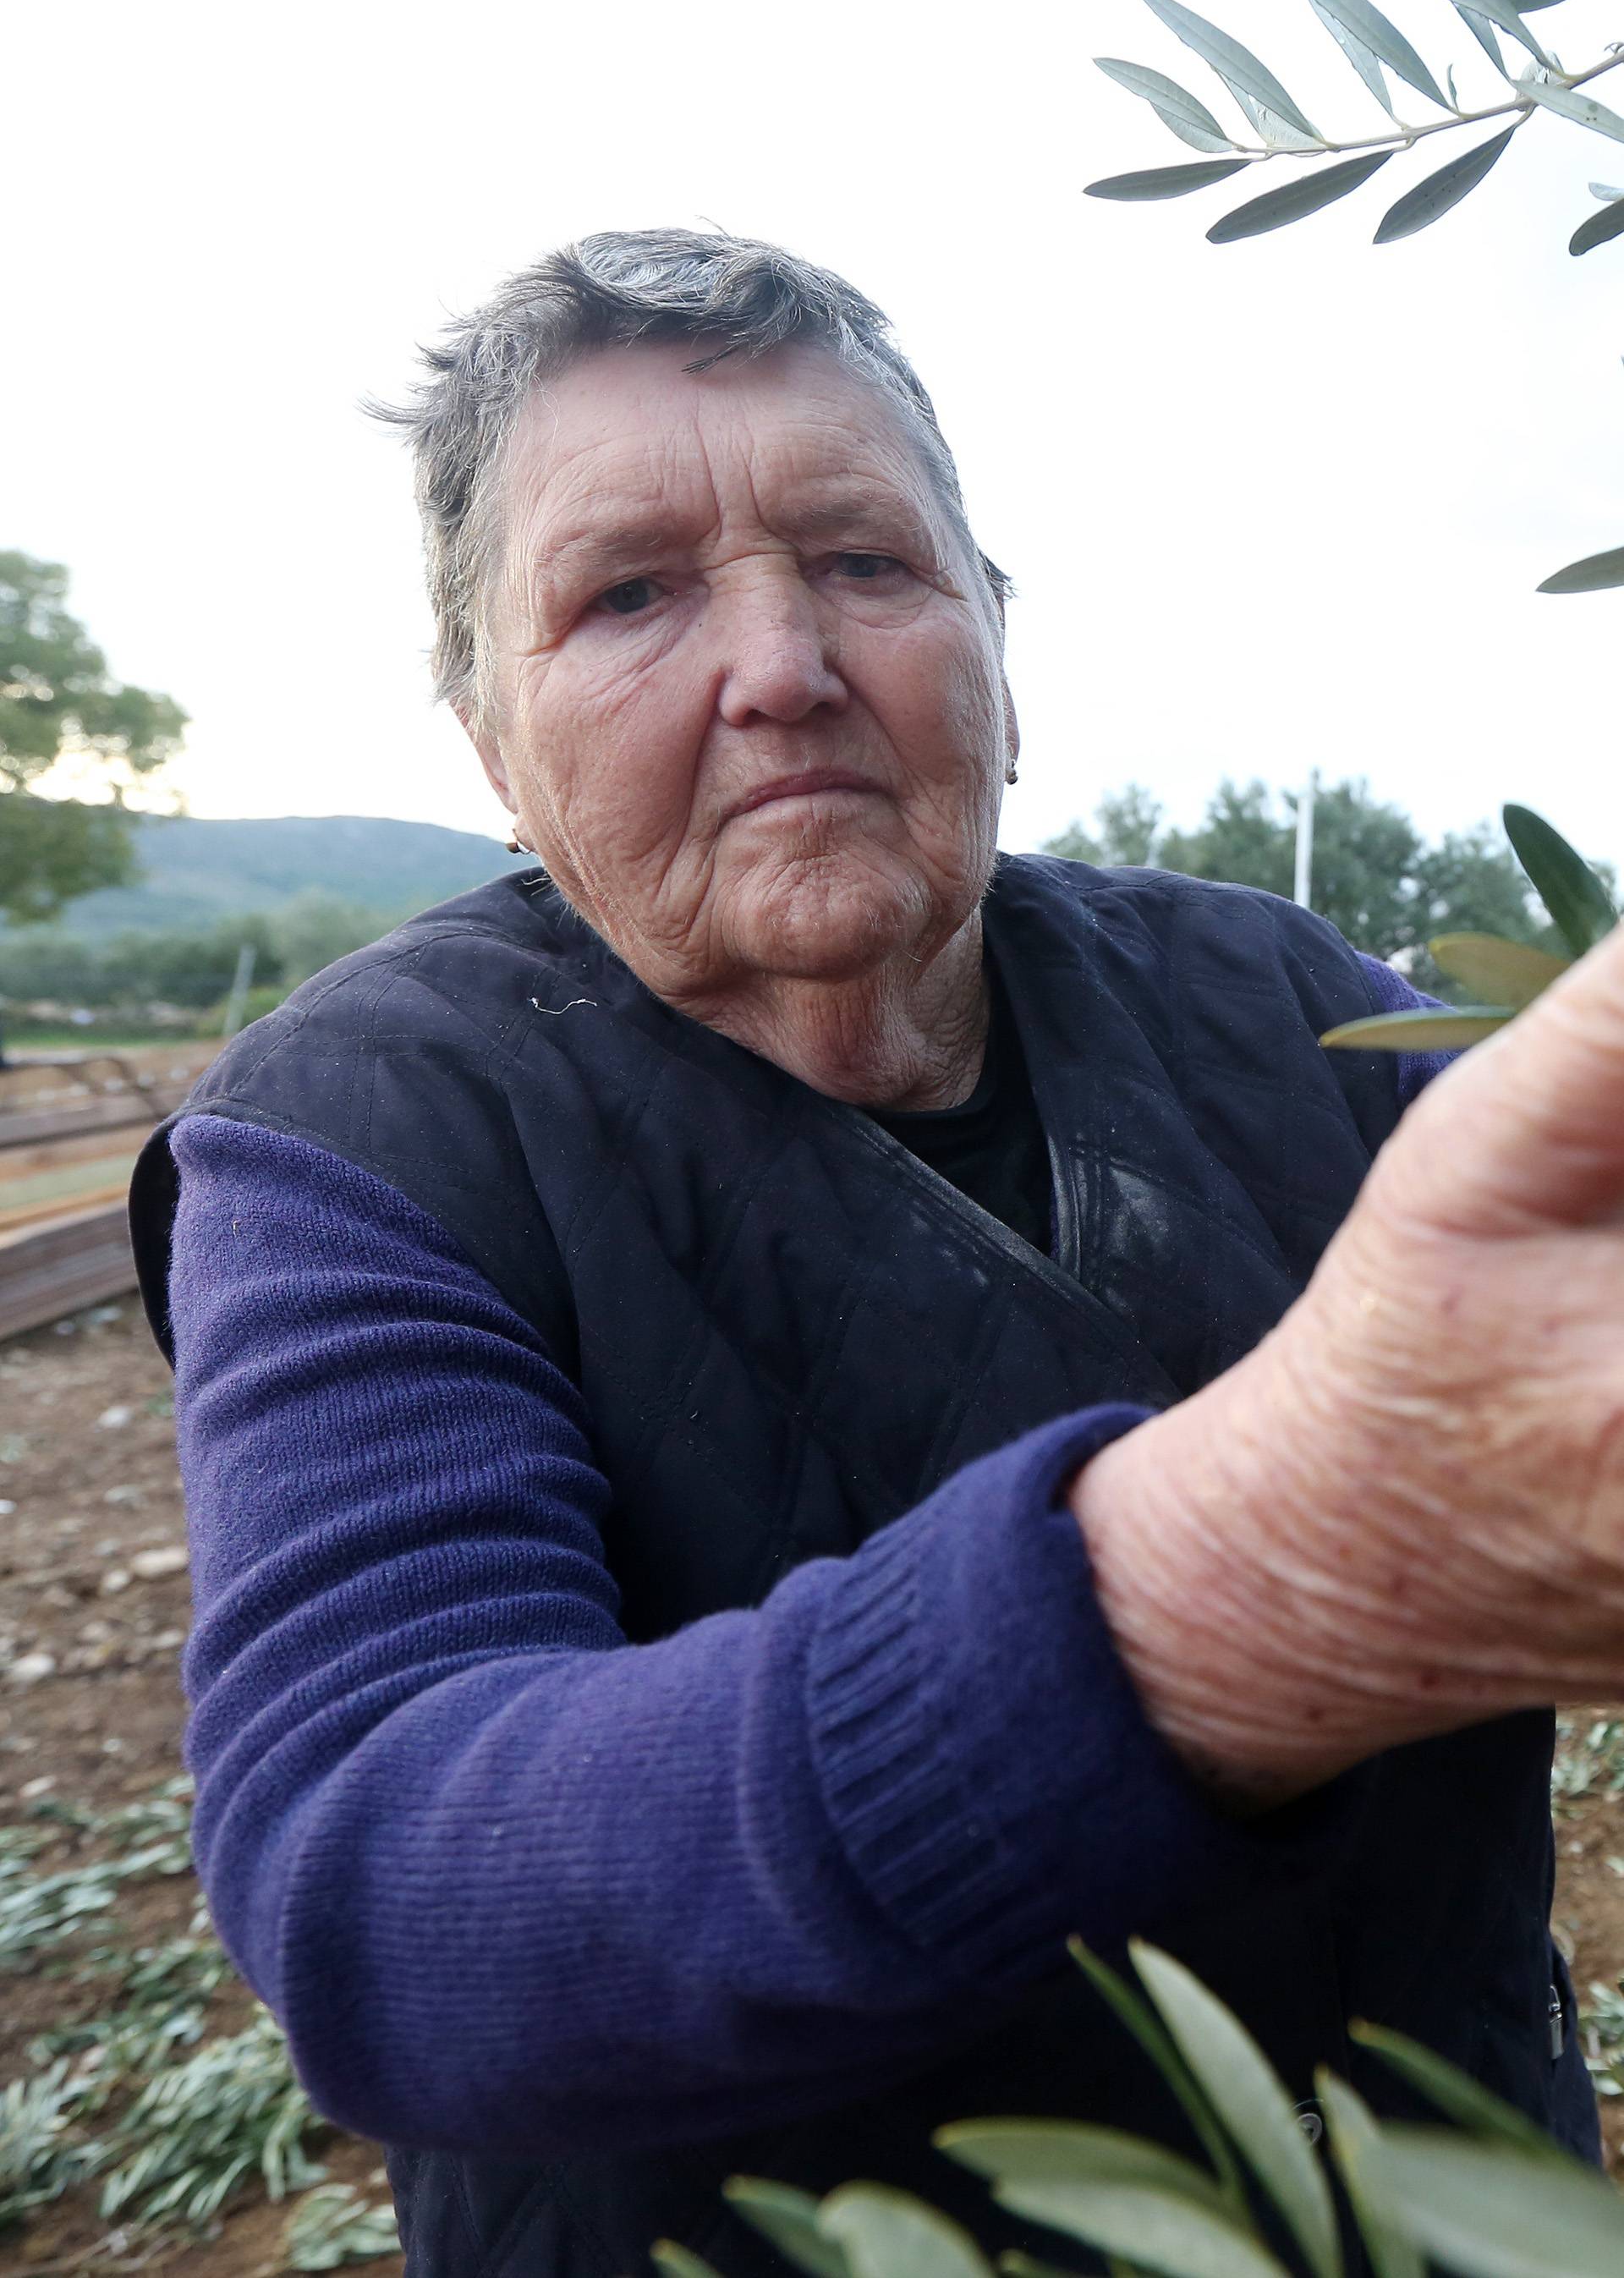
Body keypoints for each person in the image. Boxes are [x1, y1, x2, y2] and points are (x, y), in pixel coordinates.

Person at [129, 231, 1624, 2278]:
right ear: (493, 741)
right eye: (631, 592)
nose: (780, 666)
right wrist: (1254, 1581)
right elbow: (383, 1894)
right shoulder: (359, 1132)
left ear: (997, 654)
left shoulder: (1297, 1004)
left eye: (863, 560)